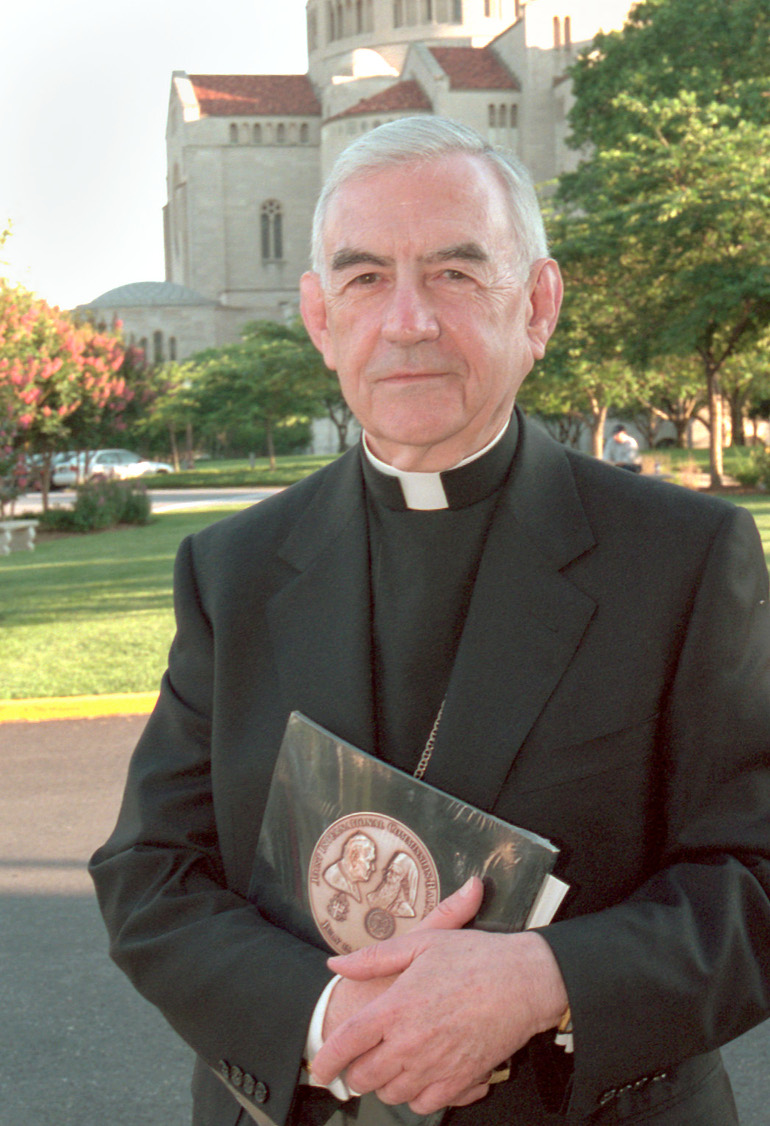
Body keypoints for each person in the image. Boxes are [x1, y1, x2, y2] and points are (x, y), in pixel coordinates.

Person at [89, 117, 770, 1126]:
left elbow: (751, 877)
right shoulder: (230, 570)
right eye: (364, 279)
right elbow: (151, 871)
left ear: (536, 305)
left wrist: (543, 978)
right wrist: (323, 1016)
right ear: (319, 318)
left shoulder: (679, 556)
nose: (405, 319)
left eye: (455, 272)